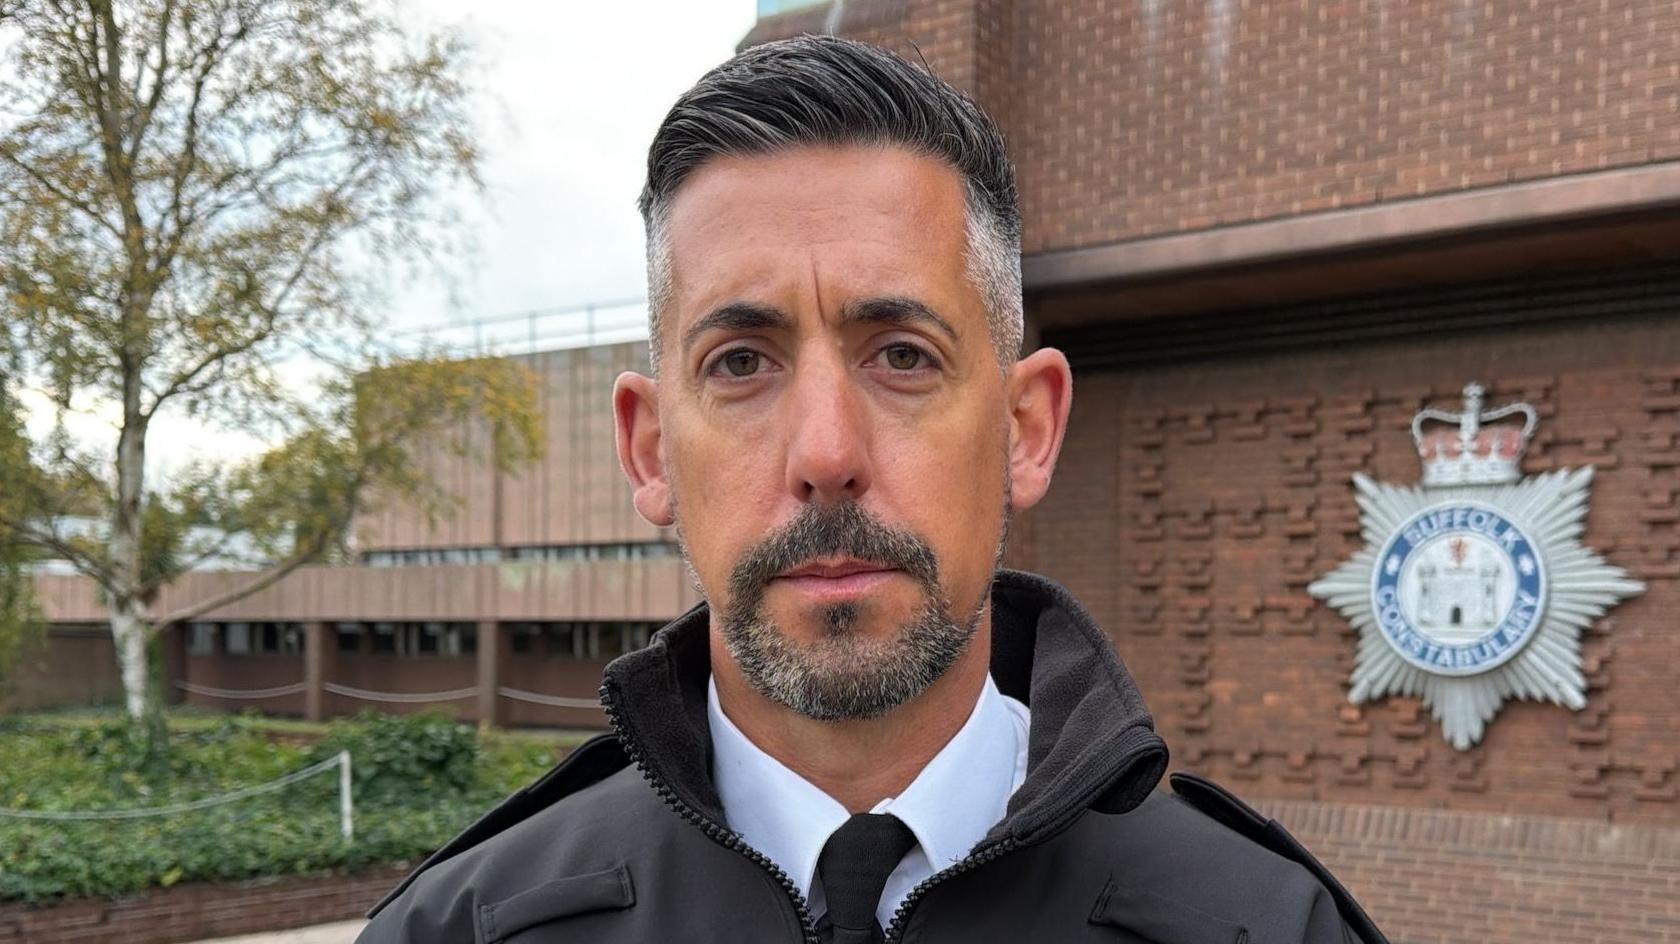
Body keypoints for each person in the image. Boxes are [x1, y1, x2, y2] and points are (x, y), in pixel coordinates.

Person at [358, 35, 1386, 944]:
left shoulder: (1272, 927)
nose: (825, 452)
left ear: (1025, 430)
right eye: (741, 363)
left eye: (902, 354)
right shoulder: (458, 928)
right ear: (652, 450)